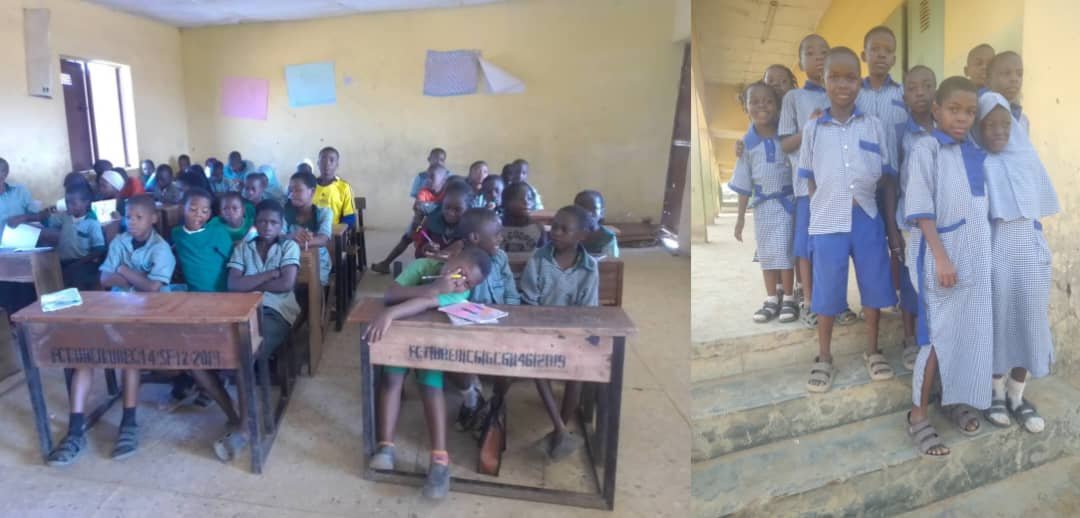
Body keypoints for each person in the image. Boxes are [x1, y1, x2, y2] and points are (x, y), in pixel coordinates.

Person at [46, 195, 175, 466]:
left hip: (149, 314)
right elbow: (105, 279)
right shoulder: (119, 242)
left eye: (139, 217)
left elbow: (153, 290)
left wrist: (125, 271)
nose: (132, 222)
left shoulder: (161, 249)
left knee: (129, 356)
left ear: (153, 218)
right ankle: (75, 429)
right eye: (128, 217)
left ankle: (128, 423)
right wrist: (134, 279)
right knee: (84, 356)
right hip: (116, 308)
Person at [799, 47, 898, 393]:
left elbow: (885, 175)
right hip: (827, 220)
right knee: (826, 289)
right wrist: (821, 206)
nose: (843, 84)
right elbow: (808, 175)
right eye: (835, 77)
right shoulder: (814, 127)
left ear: (860, 81)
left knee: (873, 285)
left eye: (850, 77)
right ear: (822, 81)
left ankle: (873, 350)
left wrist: (888, 228)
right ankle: (824, 356)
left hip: (867, 216)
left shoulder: (873, 125)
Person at [903, 76, 991, 457]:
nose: (962, 118)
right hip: (940, 257)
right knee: (937, 337)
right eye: (954, 109)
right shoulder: (927, 148)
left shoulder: (973, 151)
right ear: (936, 110)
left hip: (974, 257)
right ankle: (918, 416)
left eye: (970, 111)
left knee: (968, 332)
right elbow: (921, 210)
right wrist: (940, 257)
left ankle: (955, 399)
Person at [363, 246, 493, 501]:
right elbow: (391, 294)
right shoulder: (422, 266)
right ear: (452, 257)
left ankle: (439, 458)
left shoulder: (459, 292)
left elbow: (423, 302)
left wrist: (392, 312)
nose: (461, 281)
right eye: (461, 272)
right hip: (398, 338)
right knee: (391, 382)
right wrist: (428, 289)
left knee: (431, 387)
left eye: (468, 281)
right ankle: (385, 447)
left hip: (431, 343)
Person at [975, 92, 1060, 433]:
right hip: (997, 252)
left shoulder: (1026, 158)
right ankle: (995, 393)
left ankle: (1017, 395)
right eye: (990, 125)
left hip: (1030, 251)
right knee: (999, 321)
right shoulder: (978, 162)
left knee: (1030, 321)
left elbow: (1037, 210)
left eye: (1005, 125)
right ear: (978, 128)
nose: (998, 131)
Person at [202, 199, 300, 462]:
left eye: (274, 222)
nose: (267, 227)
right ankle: (235, 414)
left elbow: (286, 284)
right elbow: (234, 284)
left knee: (244, 352)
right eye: (263, 221)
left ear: (282, 225)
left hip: (275, 312)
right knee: (199, 355)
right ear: (254, 223)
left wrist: (253, 283)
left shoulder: (289, 245)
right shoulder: (244, 248)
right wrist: (269, 275)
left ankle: (245, 429)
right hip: (240, 311)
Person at [519, 205, 598, 461]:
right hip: (540, 330)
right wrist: (544, 332)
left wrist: (569, 335)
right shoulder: (539, 259)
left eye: (565, 229)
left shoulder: (589, 266)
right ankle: (561, 430)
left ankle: (559, 427)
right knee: (537, 364)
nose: (556, 233)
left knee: (577, 369)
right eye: (555, 226)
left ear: (581, 236)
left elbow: (587, 310)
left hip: (572, 332)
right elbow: (529, 300)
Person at [778, 34, 836, 327]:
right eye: (810, 52)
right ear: (799, 62)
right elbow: (786, 144)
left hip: (837, 186)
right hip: (806, 188)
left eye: (824, 51)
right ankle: (810, 300)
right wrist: (811, 126)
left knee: (834, 244)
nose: (818, 56)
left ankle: (835, 300)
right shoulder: (794, 98)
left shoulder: (839, 94)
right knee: (806, 246)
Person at [729, 81, 796, 323]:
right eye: (754, 102)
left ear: (777, 106)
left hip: (787, 204)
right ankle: (771, 299)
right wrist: (739, 220)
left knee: (785, 252)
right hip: (763, 207)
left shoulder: (786, 136)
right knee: (767, 254)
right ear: (746, 108)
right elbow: (744, 183)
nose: (761, 106)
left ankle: (789, 298)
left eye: (768, 101)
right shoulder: (746, 145)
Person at [450, 208, 520, 432]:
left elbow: (510, 292)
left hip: (500, 323)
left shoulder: (499, 258)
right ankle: (471, 396)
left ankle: (496, 402)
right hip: (467, 326)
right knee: (454, 355)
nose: (501, 238)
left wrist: (511, 316)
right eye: (496, 234)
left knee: (509, 360)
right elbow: (452, 299)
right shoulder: (457, 262)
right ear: (474, 238)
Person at [894, 65, 937, 371]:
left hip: (942, 223)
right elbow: (891, 183)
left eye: (927, 85)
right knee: (912, 284)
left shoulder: (947, 128)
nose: (920, 92)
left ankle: (936, 341)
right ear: (904, 95)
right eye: (913, 87)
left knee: (938, 284)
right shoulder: (900, 134)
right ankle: (911, 340)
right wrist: (892, 229)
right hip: (909, 223)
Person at [370, 148, 450, 274]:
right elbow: (417, 206)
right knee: (410, 237)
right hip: (421, 222)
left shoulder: (450, 178)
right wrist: (420, 222)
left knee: (441, 244)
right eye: (435, 158)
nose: (438, 161)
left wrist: (429, 207)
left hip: (442, 223)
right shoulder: (422, 178)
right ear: (429, 159)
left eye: (442, 159)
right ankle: (386, 263)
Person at [172, 188, 233, 293]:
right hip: (194, 294)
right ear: (182, 209)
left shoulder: (218, 232)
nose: (198, 214)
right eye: (193, 209)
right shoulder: (177, 234)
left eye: (204, 211)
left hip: (222, 292)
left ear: (209, 214)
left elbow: (232, 259)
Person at [45, 185, 105, 290]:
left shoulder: (92, 223)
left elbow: (99, 249)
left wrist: (79, 263)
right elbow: (48, 221)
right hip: (63, 261)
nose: (69, 206)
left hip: (83, 262)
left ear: (86, 203)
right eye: (67, 202)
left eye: (73, 203)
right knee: (53, 279)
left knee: (77, 283)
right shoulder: (65, 216)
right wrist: (43, 214)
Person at [285, 170, 332, 286]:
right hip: (287, 260)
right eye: (290, 190)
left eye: (298, 190)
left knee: (311, 284)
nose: (293, 194)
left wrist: (291, 242)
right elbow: (277, 237)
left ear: (312, 192)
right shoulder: (283, 212)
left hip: (317, 262)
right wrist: (292, 236)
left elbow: (323, 239)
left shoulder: (324, 212)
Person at [413, 180, 468, 259]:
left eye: (458, 209)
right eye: (447, 207)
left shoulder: (471, 230)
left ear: (468, 209)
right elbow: (418, 255)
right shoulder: (431, 223)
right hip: (431, 265)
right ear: (441, 205)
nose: (451, 213)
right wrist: (426, 248)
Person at [312, 146, 358, 227]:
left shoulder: (344, 187)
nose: (327, 163)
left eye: (331, 160)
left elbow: (350, 217)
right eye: (323, 159)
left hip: (333, 233)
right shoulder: (309, 185)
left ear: (337, 165)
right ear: (318, 163)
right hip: (310, 232)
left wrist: (338, 231)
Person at [987, 51, 1027, 136]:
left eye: (1019, 74)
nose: (1014, 79)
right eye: (1006, 73)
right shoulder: (983, 115)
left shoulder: (1023, 119)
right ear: (988, 81)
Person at [500, 181, 545, 254]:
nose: (526, 202)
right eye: (520, 198)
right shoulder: (497, 226)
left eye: (530, 198)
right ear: (506, 202)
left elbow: (543, 255)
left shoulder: (538, 227)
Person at [575, 190, 620, 259]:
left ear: (602, 212)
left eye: (593, 208)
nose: (588, 213)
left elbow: (612, 262)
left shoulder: (608, 237)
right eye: (582, 208)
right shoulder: (568, 233)